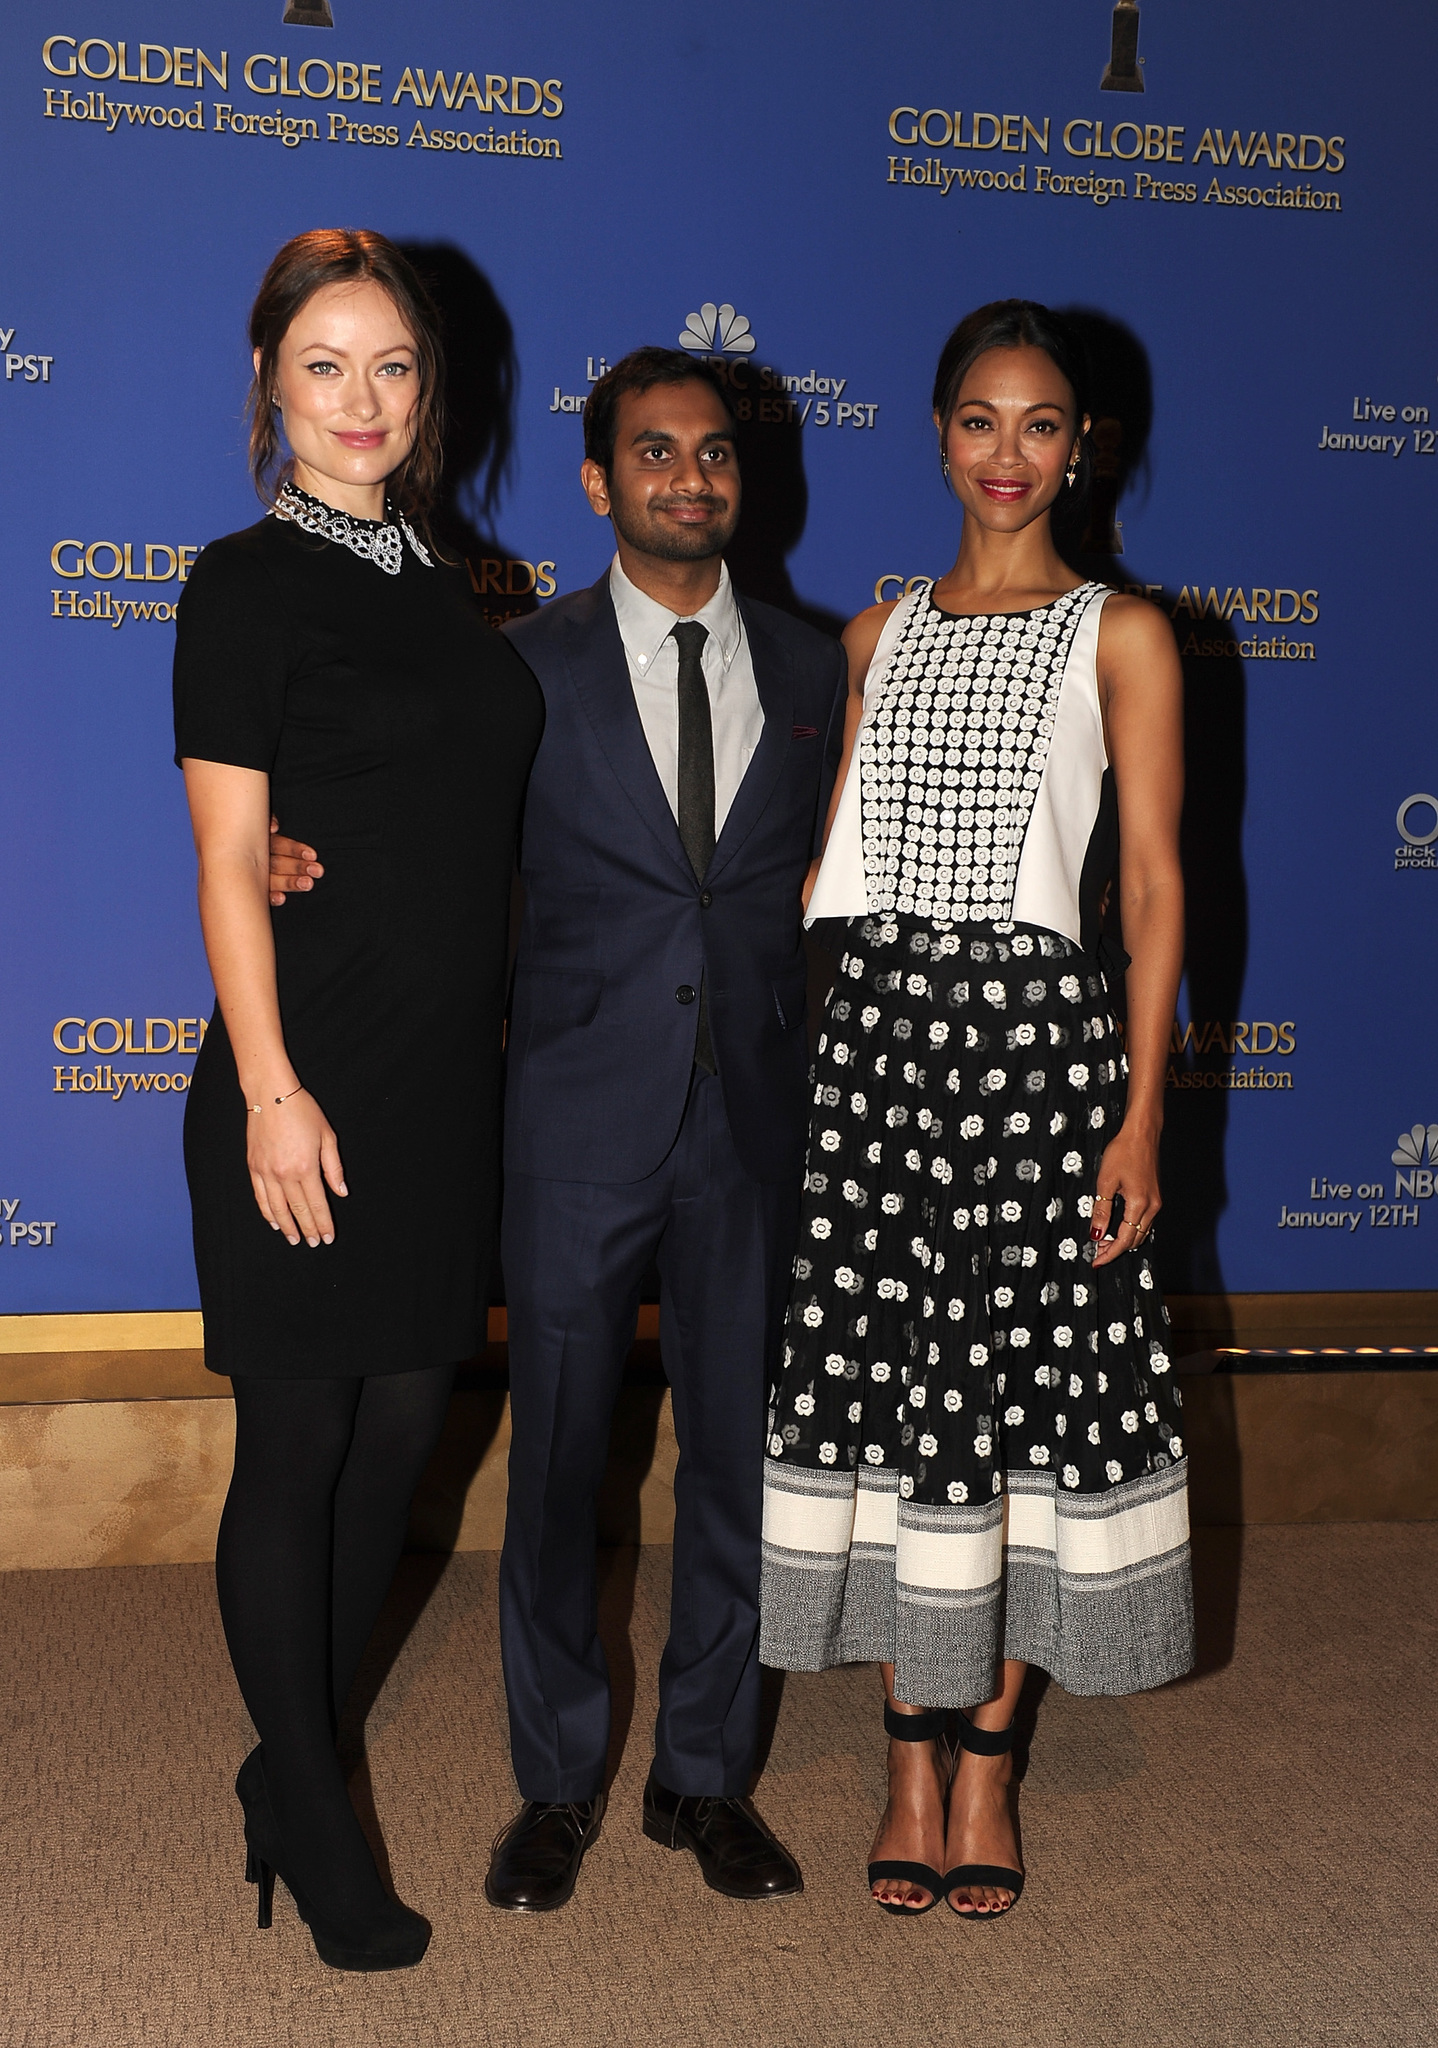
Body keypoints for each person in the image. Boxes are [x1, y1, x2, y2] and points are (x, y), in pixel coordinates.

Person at [270, 347, 846, 1910]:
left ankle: (704, 1779)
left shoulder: (810, 671)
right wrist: (292, 860)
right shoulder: (516, 669)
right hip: (574, 1124)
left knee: (738, 1463)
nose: (689, 479)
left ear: (746, 475)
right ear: (598, 481)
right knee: (556, 1473)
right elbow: (426, 856)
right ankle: (555, 1784)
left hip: (754, 1131)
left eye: (714, 453)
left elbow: (830, 900)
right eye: (652, 453)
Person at [759, 300, 1191, 1920]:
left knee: (1007, 1412)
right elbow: (822, 877)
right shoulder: (873, 638)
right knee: (889, 1403)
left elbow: (1148, 888)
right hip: (875, 1058)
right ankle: (900, 1757)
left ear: (1082, 447)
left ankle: (987, 1768)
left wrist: (1139, 1119)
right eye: (977, 421)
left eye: (1040, 424)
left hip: (1034, 1063)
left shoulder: (1119, 633)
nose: (1006, 454)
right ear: (935, 434)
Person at [174, 228, 542, 1970]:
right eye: (324, 365)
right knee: (301, 1438)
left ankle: (280, 1761)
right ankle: (315, 1816)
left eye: (391, 365)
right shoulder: (241, 581)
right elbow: (229, 853)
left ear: (430, 387)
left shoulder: (455, 585)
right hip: (303, 1065)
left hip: (435, 1077)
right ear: (269, 382)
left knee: (404, 1433)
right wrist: (266, 1087)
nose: (361, 400)